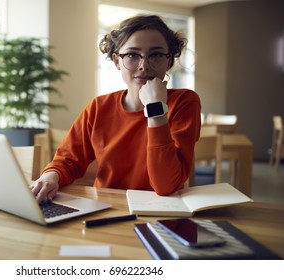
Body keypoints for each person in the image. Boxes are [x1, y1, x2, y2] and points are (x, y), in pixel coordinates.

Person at [30, 14, 201, 203]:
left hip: (160, 213)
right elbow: (67, 161)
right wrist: (51, 174)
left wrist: (155, 110)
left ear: (169, 61)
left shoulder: (185, 102)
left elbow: (166, 186)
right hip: (105, 208)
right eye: (132, 55)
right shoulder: (98, 107)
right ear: (117, 61)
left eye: (157, 55)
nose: (144, 66)